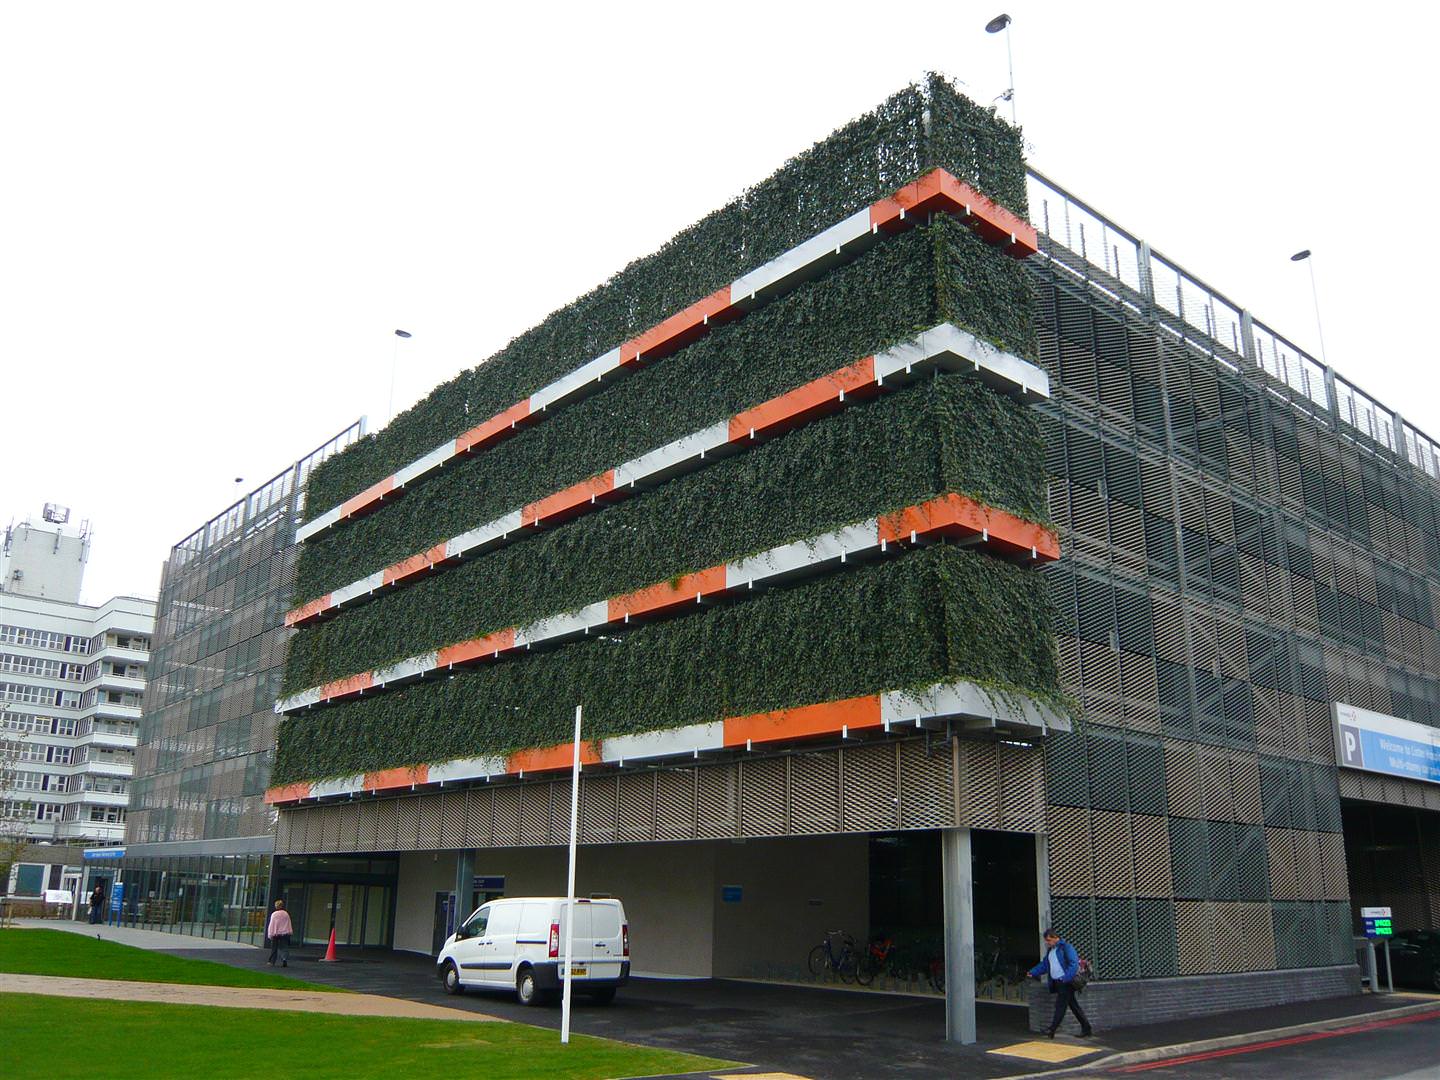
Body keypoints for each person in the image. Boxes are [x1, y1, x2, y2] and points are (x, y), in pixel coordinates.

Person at [1027, 927, 1092, 1038]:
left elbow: (1073, 963)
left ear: (1056, 938)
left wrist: (1065, 978)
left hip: (1066, 982)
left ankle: (1052, 1030)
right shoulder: (1050, 952)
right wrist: (1033, 972)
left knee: (1060, 1006)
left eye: (1049, 940)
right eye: (1046, 940)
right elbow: (1045, 965)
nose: (1047, 943)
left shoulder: (1066, 947)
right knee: (1073, 1005)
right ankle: (1087, 1028)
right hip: (1058, 982)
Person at [266, 899, 293, 967]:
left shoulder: (274, 914)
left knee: (274, 948)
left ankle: (272, 961)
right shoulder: (286, 914)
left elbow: (272, 924)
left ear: (276, 906)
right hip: (285, 933)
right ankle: (284, 959)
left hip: (275, 933)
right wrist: (289, 931)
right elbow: (288, 923)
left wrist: (270, 933)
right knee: (284, 947)